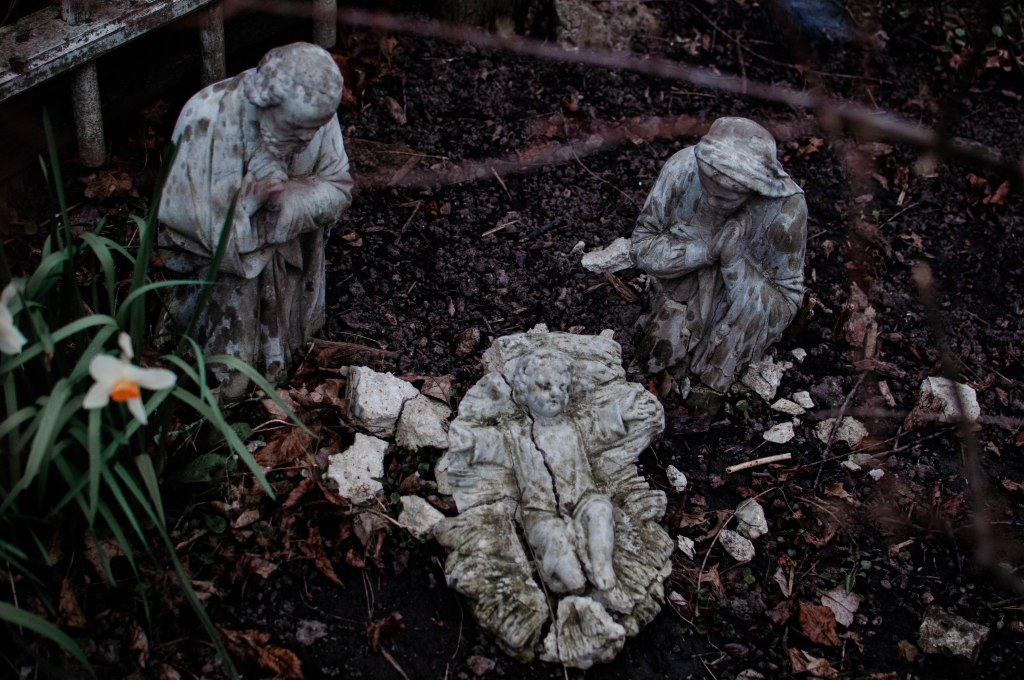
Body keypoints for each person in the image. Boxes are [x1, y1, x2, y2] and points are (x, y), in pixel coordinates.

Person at [158, 42, 353, 398]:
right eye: (294, 129)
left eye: (312, 130)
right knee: (234, 378)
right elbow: (181, 215)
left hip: (290, 261)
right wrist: (248, 201)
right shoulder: (205, 118)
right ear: (265, 102)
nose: (306, 140)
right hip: (228, 275)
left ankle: (284, 354)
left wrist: (290, 199)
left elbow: (338, 185)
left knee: (301, 344)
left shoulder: (317, 115)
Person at [631, 117, 806, 400]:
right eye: (707, 185)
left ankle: (708, 385)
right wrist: (703, 252)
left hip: (730, 324)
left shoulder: (786, 210)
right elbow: (641, 246)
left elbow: (787, 300)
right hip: (671, 299)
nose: (712, 201)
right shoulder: (682, 168)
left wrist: (734, 264)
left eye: (727, 198)